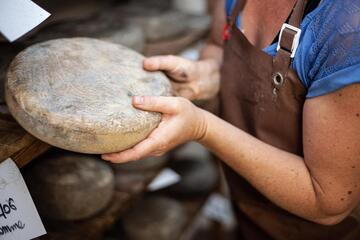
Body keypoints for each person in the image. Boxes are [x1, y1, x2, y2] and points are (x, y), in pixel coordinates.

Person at [102, 0, 360, 239]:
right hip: (250, 214)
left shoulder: (348, 30)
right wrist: (206, 75)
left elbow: (327, 202)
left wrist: (202, 128)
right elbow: (217, 45)